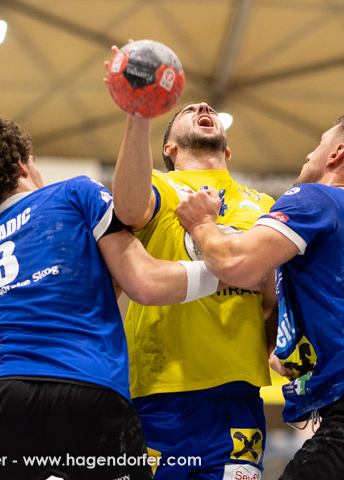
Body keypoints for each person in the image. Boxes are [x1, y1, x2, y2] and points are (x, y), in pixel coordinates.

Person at [0, 114, 222, 480]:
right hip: (89, 386)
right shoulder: (73, 194)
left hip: (8, 396)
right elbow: (145, 283)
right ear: (22, 165)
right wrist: (225, 272)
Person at [176, 112, 344, 480]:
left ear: (335, 154)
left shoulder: (316, 197)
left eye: (317, 145)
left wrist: (202, 224)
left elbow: (235, 264)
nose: (307, 155)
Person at [108, 85, 276, 476]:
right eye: (187, 111)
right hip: (159, 392)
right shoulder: (158, 185)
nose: (203, 105)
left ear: (228, 151)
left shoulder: (263, 205)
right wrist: (139, 114)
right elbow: (128, 209)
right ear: (169, 148)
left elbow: (272, 297)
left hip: (238, 395)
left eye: (208, 108)